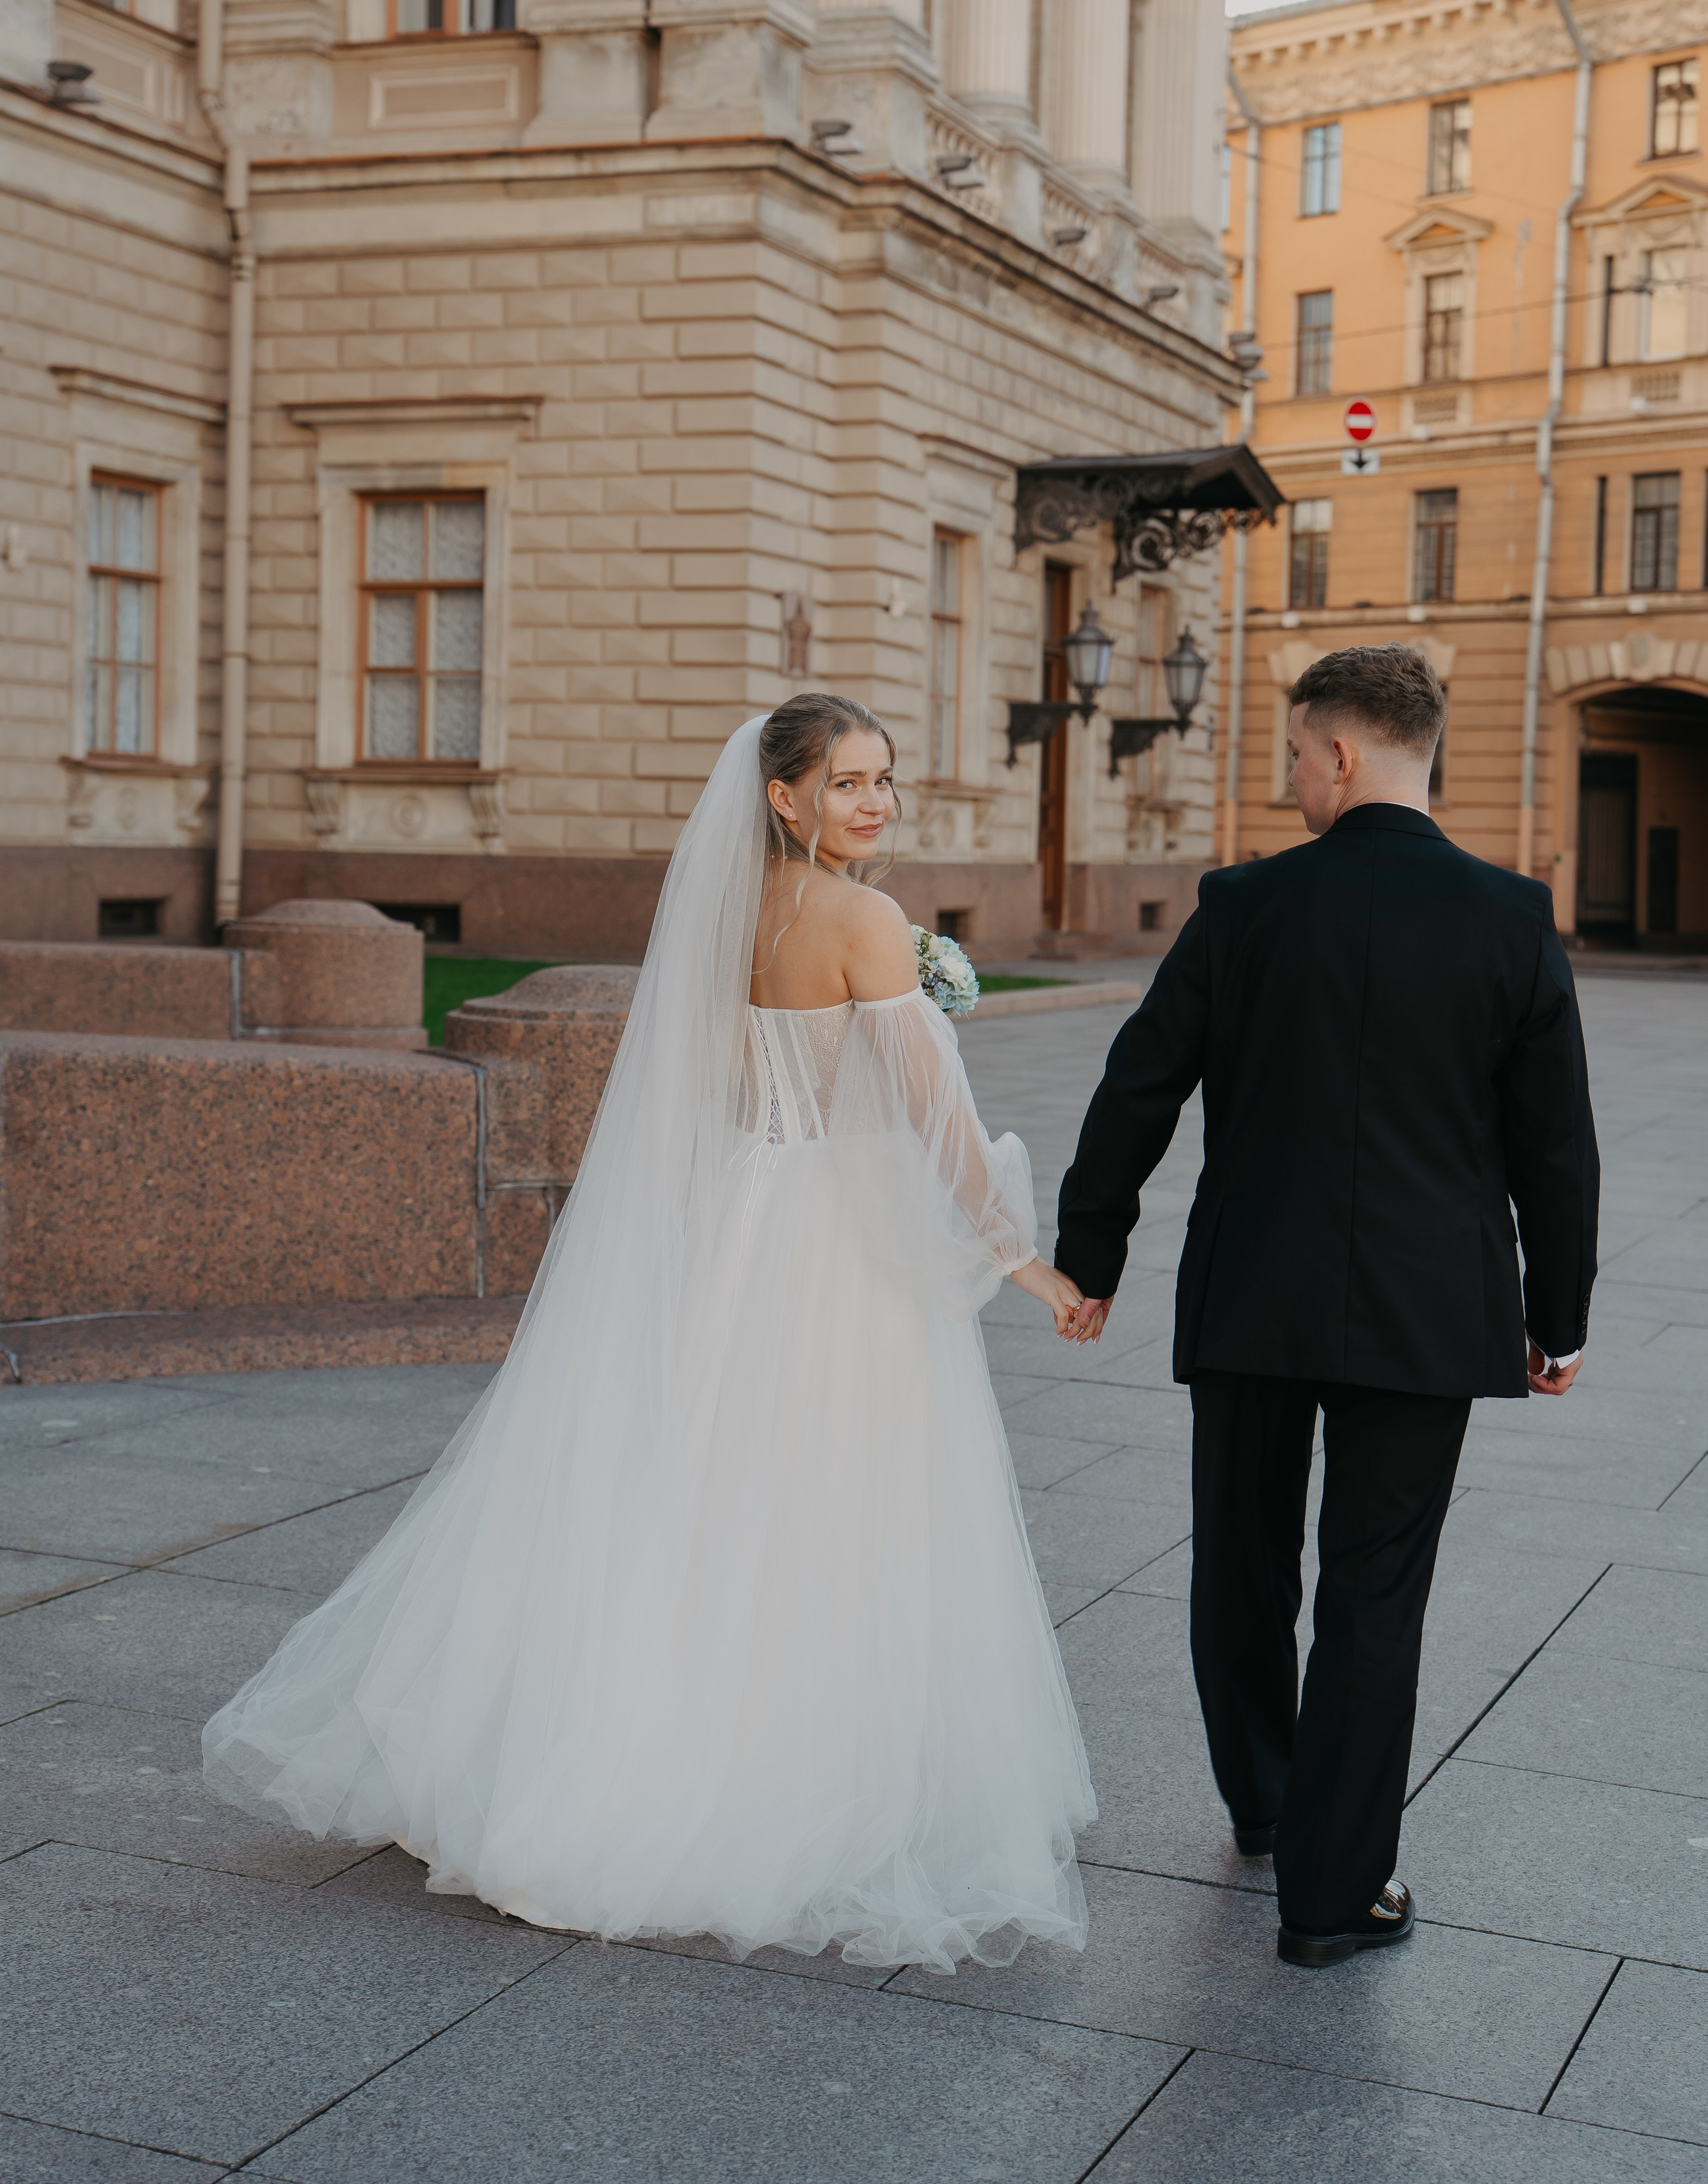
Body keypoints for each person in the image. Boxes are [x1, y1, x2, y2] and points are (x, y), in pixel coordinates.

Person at [204, 695, 1095, 1971]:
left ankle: (641, 1737)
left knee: (702, 1484)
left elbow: (727, 1088)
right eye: (848, 782)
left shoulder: (732, 913)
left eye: (885, 782)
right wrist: (1027, 1263)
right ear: (782, 795)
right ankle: (795, 1773)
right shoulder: (866, 921)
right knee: (836, 1497)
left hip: (741, 1215)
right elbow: (935, 1123)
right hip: (833, 1241)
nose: (876, 804)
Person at [1053, 643, 1599, 1968]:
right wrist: (1556, 1311)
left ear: (1342, 753)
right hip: (1426, 1311)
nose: (1288, 777)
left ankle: (1262, 1801)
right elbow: (1555, 1148)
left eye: (1293, 753)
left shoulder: (1243, 906)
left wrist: (1092, 1249)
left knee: (1240, 1557)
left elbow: (1139, 1084)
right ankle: (1331, 1892)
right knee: (1372, 1594)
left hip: (1254, 1293)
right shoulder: (1509, 918)